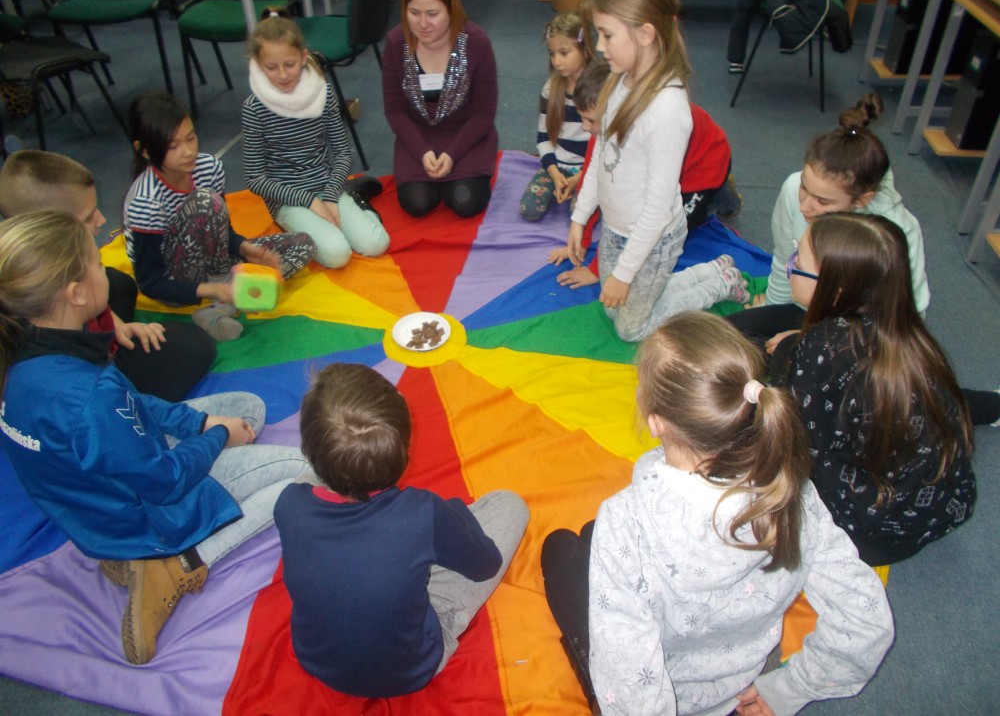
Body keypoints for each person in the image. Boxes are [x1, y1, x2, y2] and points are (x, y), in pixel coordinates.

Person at [541, 311, 894, 716]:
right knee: (591, 542)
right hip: (741, 674)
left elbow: (632, 691)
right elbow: (866, 621)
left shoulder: (625, 524)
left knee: (560, 549)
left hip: (671, 689)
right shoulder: (790, 491)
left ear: (656, 422)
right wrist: (789, 689)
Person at [0, 211, 312, 665]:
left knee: (249, 408)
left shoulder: (29, 355)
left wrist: (197, 425)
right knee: (302, 472)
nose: (106, 270)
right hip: (145, 512)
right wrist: (215, 436)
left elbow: (129, 406)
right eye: (97, 264)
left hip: (96, 504)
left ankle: (132, 553)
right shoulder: (89, 393)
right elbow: (164, 480)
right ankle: (177, 564)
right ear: (76, 293)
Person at [274, 362, 529, 698]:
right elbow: (485, 565)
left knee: (308, 483)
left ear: (308, 448)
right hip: (410, 668)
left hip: (318, 658)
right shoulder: (423, 512)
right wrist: (451, 513)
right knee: (510, 504)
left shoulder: (288, 503)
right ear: (405, 455)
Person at [770, 214, 978, 565]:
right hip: (938, 510)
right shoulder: (912, 336)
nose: (791, 268)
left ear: (836, 288)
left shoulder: (824, 348)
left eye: (798, 263)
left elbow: (802, 444)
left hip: (868, 532)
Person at [565, 0, 748, 343]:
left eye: (607, 34)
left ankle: (717, 284)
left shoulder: (666, 110)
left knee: (630, 329)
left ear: (646, 34)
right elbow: (601, 156)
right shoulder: (618, 81)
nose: (600, 47)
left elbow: (658, 205)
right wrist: (580, 217)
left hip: (654, 239)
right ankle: (706, 272)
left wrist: (624, 273)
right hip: (617, 228)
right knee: (612, 306)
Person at [0, 149, 215, 402]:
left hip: (73, 329)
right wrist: (107, 353)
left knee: (119, 284)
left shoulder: (28, 268)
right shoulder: (42, 349)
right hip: (82, 371)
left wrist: (116, 326)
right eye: (88, 217)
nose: (102, 220)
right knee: (193, 345)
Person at [728, 93, 929, 346]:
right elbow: (783, 260)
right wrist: (770, 309)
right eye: (804, 187)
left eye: (823, 202)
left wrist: (807, 339)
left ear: (861, 200)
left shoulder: (893, 233)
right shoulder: (792, 188)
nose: (804, 206)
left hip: (862, 335)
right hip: (807, 308)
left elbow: (905, 320)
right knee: (721, 338)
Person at [124, 91, 316, 340]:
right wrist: (212, 288)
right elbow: (151, 282)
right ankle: (222, 296)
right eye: (173, 146)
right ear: (144, 151)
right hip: (176, 281)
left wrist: (246, 249)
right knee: (205, 201)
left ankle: (225, 300)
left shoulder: (208, 168)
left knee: (303, 242)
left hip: (214, 263)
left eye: (191, 138)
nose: (188, 151)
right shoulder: (146, 202)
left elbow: (223, 233)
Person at [549, 60, 743, 290]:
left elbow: (648, 214)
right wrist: (579, 236)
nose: (584, 127)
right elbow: (593, 183)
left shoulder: (650, 129)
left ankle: (719, 190)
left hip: (706, 165)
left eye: (590, 120)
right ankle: (719, 191)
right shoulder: (606, 127)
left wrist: (599, 270)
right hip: (683, 158)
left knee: (664, 235)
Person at [242, 8, 390, 269]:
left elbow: (342, 153)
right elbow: (255, 178)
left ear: (303, 57)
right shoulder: (254, 109)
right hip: (287, 198)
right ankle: (302, 223)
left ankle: (356, 200)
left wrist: (331, 196)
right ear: (257, 64)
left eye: (289, 65)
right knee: (337, 254)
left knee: (376, 244)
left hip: (326, 186)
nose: (283, 75)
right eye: (271, 68)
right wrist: (309, 202)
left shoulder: (323, 93)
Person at [382, 0, 499, 219]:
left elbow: (484, 113)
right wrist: (422, 151)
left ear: (451, 9)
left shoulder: (476, 43)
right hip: (417, 136)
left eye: (432, 14)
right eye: (414, 13)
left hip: (466, 136)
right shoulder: (395, 44)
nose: (423, 24)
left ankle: (459, 176)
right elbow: (395, 111)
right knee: (417, 202)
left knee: (465, 201)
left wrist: (452, 154)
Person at [519, 11, 592, 221]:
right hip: (559, 165)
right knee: (528, 210)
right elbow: (543, 138)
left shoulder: (599, 91)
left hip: (591, 168)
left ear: (585, 51)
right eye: (552, 54)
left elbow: (607, 146)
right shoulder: (550, 89)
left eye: (564, 53)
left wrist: (580, 178)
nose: (557, 61)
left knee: (580, 216)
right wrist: (554, 172)